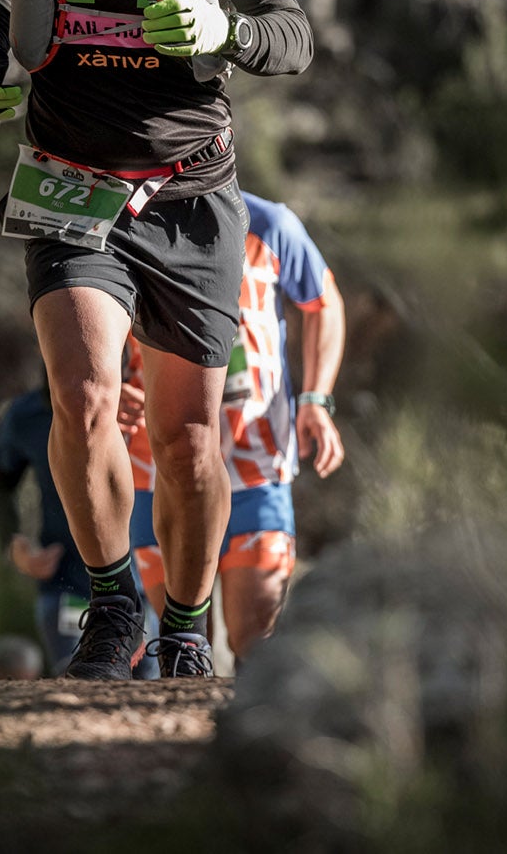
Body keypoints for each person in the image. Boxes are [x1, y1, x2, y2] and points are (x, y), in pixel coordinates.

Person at [0, 0, 313, 679]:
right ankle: (113, 602)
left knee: (188, 435)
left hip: (192, 194)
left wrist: (225, 34)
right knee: (78, 395)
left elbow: (291, 33)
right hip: (69, 187)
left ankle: (187, 626)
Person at [125, 192, 347, 662]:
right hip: (157, 464)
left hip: (255, 462)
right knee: (181, 640)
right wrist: (112, 387)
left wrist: (315, 398)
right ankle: (173, 733)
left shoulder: (270, 223)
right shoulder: (129, 214)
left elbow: (324, 301)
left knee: (254, 636)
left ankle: (252, 734)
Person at [0, 381, 94, 673]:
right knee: (80, 684)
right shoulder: (28, 413)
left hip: (146, 586)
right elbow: (0, 486)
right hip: (68, 583)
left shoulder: (141, 398)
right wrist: (14, 544)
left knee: (151, 688)